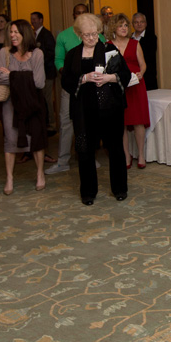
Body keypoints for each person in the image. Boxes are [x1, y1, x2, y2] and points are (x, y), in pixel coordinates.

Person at [61, 13, 131, 204]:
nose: (92, 38)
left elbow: (125, 74)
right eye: (87, 35)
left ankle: (120, 189)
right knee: (85, 151)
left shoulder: (110, 50)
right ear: (79, 34)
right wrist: (84, 78)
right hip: (84, 111)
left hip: (110, 108)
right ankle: (88, 192)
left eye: (94, 34)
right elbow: (66, 80)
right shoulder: (73, 54)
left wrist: (109, 78)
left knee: (115, 148)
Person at [0, 20, 47, 195]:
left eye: (16, 32)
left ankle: (40, 174)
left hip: (33, 103)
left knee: (36, 138)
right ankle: (9, 177)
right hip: (11, 104)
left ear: (25, 34)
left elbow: (39, 82)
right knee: (10, 139)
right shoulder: (5, 52)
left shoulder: (37, 54)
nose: (12, 35)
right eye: (11, 32)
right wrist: (21, 77)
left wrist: (12, 75)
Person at [47, 4, 104, 175]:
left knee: (91, 122)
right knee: (66, 122)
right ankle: (63, 160)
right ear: (74, 16)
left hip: (94, 89)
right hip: (72, 88)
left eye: (84, 13)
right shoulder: (64, 36)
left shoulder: (99, 37)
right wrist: (70, 76)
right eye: (78, 13)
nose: (81, 15)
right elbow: (58, 59)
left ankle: (89, 157)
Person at [107, 14, 150, 170]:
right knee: (122, 122)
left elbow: (143, 64)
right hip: (117, 87)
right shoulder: (108, 46)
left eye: (126, 25)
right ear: (114, 28)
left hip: (135, 85)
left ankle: (141, 154)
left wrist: (141, 73)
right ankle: (126, 155)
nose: (124, 28)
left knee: (138, 121)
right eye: (120, 25)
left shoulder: (134, 43)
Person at [31, 11, 58, 137]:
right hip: (38, 73)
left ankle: (51, 125)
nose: (33, 21)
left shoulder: (46, 34)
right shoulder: (33, 35)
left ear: (41, 20)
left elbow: (51, 53)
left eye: (35, 19)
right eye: (31, 19)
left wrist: (38, 63)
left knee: (47, 99)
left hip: (47, 73)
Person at [131, 12, 158, 90]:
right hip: (132, 76)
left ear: (145, 23)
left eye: (141, 22)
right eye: (136, 22)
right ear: (132, 24)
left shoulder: (151, 37)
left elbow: (148, 56)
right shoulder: (129, 38)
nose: (139, 24)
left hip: (147, 75)